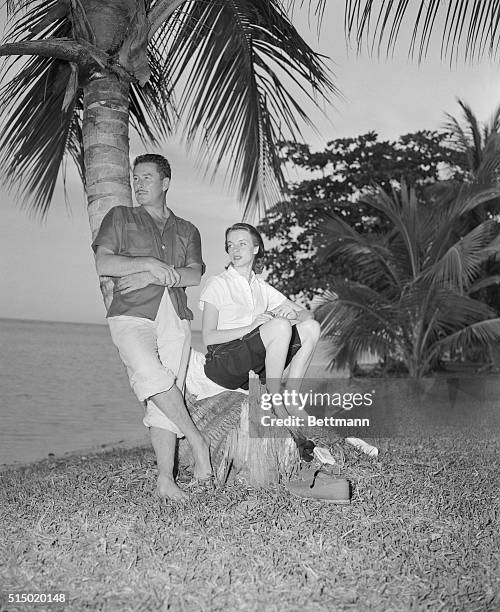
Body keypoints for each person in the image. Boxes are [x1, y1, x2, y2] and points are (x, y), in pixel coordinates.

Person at [92, 153, 211, 501]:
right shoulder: (121, 217)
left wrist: (150, 274)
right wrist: (148, 263)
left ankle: (165, 480)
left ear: (165, 183)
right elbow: (104, 263)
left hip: (174, 314)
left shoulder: (188, 229)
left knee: (162, 398)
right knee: (149, 374)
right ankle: (197, 440)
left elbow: (194, 274)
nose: (138, 184)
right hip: (130, 313)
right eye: (135, 178)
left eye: (146, 178)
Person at [199, 223, 321, 448]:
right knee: (280, 326)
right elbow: (208, 337)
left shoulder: (261, 287)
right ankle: (276, 401)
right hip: (223, 362)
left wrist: (290, 312)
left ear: (256, 248)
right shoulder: (217, 284)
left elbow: (307, 314)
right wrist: (253, 326)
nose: (235, 249)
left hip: (253, 368)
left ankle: (291, 398)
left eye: (242, 244)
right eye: (230, 245)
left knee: (311, 327)